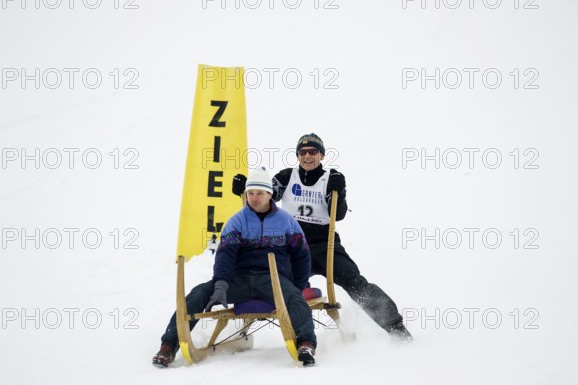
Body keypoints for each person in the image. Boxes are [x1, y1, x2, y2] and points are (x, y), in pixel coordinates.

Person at [232, 134, 413, 341]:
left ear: (322, 155)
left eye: (312, 152)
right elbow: (263, 200)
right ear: (298, 156)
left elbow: (339, 213)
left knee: (356, 283)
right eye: (302, 152)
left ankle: (396, 329)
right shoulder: (286, 176)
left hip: (325, 245)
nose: (307, 156)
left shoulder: (330, 178)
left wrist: (339, 191)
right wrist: (247, 190)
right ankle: (250, 327)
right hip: (293, 246)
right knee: (270, 281)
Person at [153, 167, 318, 367]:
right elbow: (225, 254)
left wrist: (298, 286)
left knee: (295, 299)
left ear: (269, 194)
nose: (254, 198)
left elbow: (302, 255)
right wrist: (221, 284)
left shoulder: (286, 221)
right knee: (198, 293)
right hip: (238, 280)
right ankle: (168, 346)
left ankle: (306, 343)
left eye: (259, 193)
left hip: (272, 280)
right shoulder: (237, 221)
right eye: (250, 193)